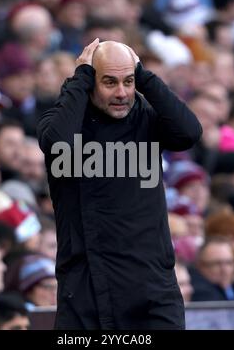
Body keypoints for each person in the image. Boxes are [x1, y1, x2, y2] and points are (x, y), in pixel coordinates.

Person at [37, 39, 202, 330]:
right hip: (87, 290)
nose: (122, 93)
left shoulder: (147, 118)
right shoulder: (61, 121)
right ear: (89, 82)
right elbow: (58, 144)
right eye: (109, 82)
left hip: (151, 290)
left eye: (128, 81)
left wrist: (145, 77)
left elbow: (188, 132)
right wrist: (80, 79)